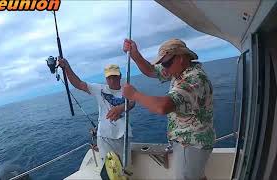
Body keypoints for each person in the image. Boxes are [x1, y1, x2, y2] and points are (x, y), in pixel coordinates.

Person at [122, 38, 215, 179]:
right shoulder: (178, 71)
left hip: (191, 144)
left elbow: (162, 107)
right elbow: (150, 70)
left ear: (181, 58)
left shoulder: (194, 79)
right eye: (162, 64)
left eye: (166, 63)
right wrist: (135, 54)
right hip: (190, 143)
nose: (164, 68)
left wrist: (134, 95)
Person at [58, 58, 135, 163]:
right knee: (109, 170)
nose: (112, 80)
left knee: (126, 167)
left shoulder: (127, 89)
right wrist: (67, 67)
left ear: (120, 76)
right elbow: (78, 83)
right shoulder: (99, 89)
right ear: (106, 78)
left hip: (124, 135)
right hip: (105, 137)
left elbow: (132, 102)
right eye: (109, 77)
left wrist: (121, 108)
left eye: (115, 77)